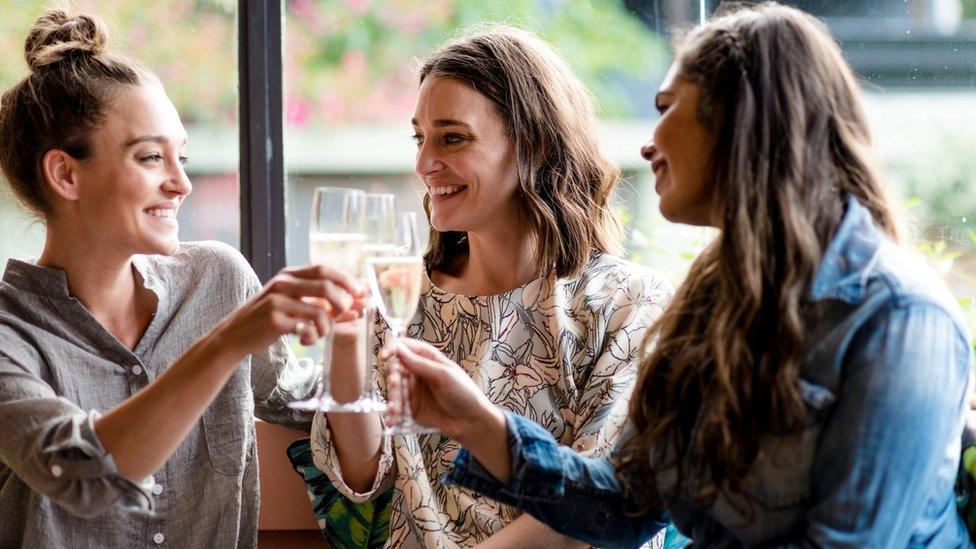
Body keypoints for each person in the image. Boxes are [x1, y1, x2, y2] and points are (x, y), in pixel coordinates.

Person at [384, 3, 974, 547]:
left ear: (742, 122)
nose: (648, 144)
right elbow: (625, 503)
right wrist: (476, 422)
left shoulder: (899, 317)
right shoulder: (714, 297)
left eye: (668, 109)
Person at [0, 10, 364, 547]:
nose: (182, 184)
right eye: (151, 157)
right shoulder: (11, 332)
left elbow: (307, 405)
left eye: (183, 157)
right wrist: (227, 342)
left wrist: (366, 335)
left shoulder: (216, 279)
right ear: (65, 174)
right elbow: (82, 476)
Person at [306, 25, 674, 548]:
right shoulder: (397, 296)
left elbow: (593, 513)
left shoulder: (627, 304)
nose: (423, 163)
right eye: (420, 137)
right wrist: (346, 339)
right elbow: (363, 478)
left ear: (536, 145)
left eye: (452, 137)